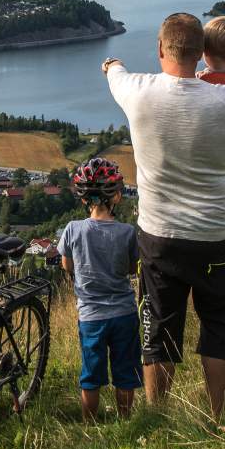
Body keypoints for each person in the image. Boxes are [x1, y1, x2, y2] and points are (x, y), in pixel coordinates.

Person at [102, 13, 225, 419]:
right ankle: (216, 415)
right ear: (201, 54)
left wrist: (111, 64)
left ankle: (155, 414)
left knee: (159, 324)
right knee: (219, 323)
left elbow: (116, 74)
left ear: (161, 50)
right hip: (216, 236)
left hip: (159, 235)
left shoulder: (139, 92)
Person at [57, 158, 140, 421]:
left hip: (91, 316)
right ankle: (125, 421)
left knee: (91, 375)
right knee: (125, 372)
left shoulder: (73, 229)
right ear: (116, 196)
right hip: (124, 313)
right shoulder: (127, 232)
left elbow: (66, 265)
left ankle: (88, 424)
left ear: (83, 199)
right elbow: (132, 268)